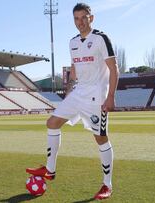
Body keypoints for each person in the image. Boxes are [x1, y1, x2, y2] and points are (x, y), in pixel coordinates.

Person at [26, 3, 119, 200]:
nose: (80, 22)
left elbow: (114, 68)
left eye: (84, 17)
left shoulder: (101, 38)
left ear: (91, 18)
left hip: (96, 96)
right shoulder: (73, 42)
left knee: (101, 138)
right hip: (78, 93)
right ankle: (50, 170)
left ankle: (107, 185)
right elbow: (74, 69)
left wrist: (110, 96)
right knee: (52, 122)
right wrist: (68, 92)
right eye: (76, 18)